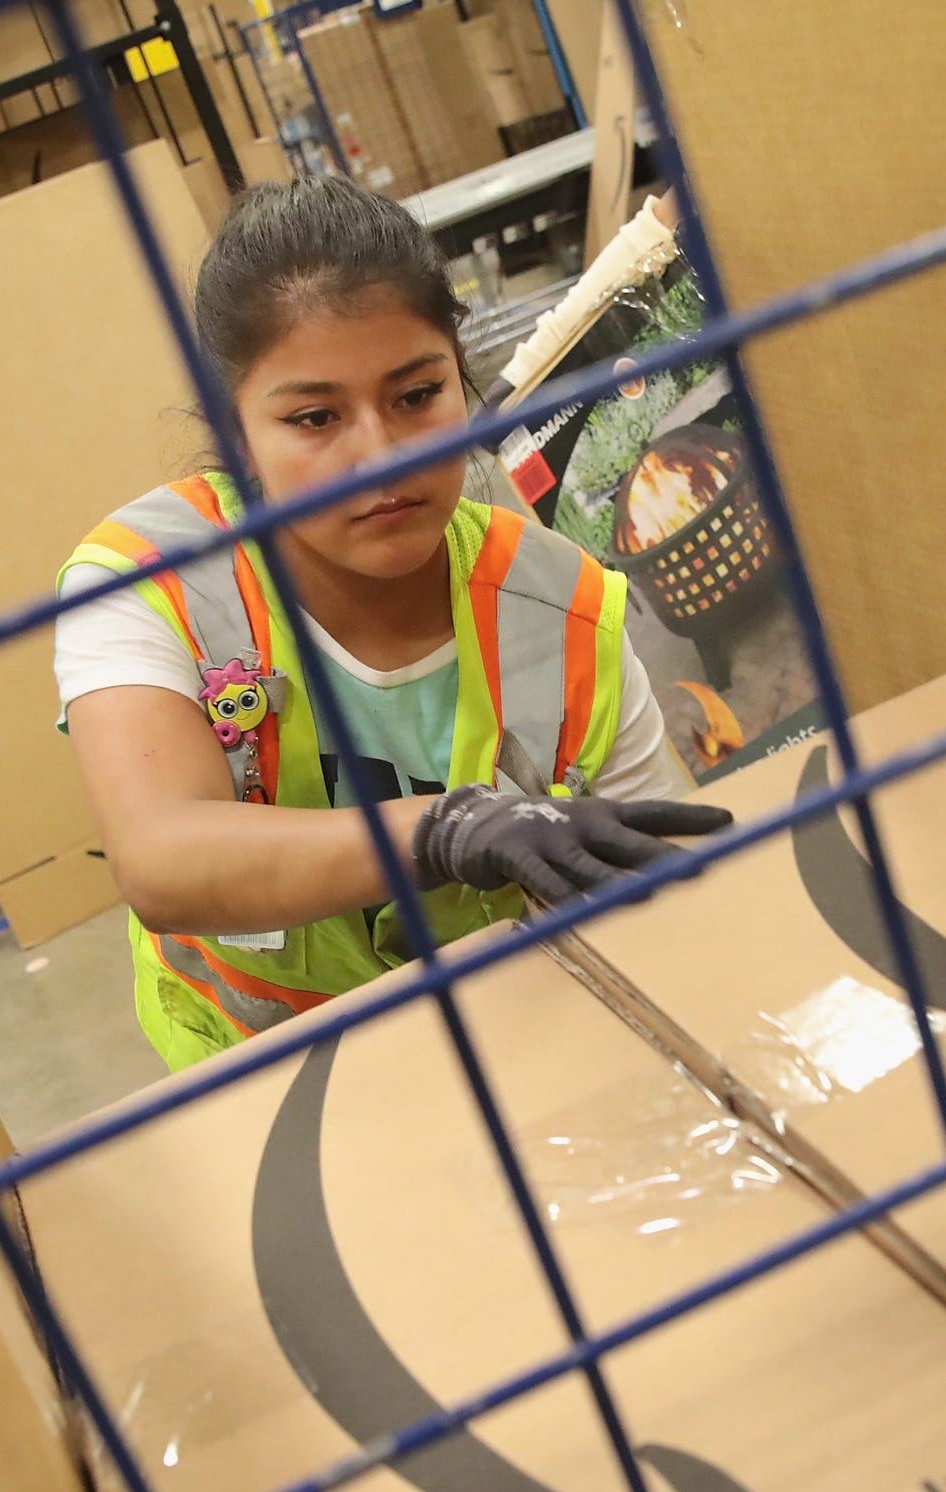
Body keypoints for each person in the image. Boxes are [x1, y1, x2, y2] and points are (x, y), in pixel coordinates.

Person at [56, 176, 733, 1071]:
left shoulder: (562, 607)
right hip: (258, 1070)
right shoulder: (147, 580)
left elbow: (662, 881)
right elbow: (159, 857)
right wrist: (446, 831)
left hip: (511, 1039)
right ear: (235, 431)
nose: (381, 455)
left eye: (416, 395)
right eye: (314, 417)